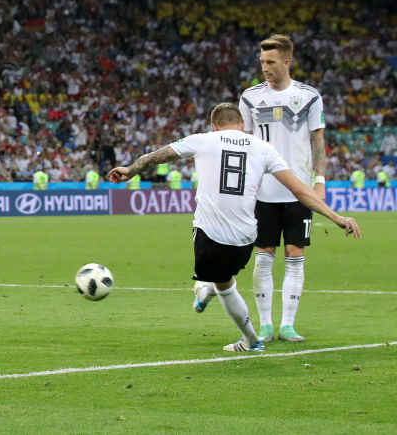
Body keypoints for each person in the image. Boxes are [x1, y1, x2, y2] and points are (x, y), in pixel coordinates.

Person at [107, 103, 359, 353]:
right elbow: (299, 189)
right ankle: (207, 291)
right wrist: (335, 217)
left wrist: (130, 170)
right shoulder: (264, 148)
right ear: (242, 125)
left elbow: (154, 157)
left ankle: (250, 339)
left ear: (214, 125)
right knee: (221, 275)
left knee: (222, 283)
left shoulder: (203, 140)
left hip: (210, 234)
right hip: (246, 238)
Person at [239, 34, 327, 343]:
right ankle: (265, 325)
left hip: (299, 190)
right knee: (263, 255)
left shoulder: (309, 97)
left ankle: (287, 324)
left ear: (287, 62)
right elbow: (245, 146)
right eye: (262, 61)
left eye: (271, 62)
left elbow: (318, 141)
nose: (265, 67)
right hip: (263, 190)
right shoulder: (250, 98)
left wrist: (320, 181)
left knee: (294, 253)